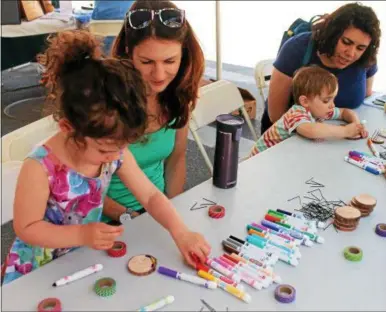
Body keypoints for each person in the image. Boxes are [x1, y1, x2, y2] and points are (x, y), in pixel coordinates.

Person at [1, 30, 210, 285]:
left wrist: (182, 233)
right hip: (36, 268)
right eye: (104, 150)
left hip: (82, 256)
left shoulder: (114, 151)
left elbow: (151, 196)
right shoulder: (40, 166)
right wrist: (81, 234)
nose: (113, 156)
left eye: (121, 147)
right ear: (68, 128)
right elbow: (27, 228)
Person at [104, 0, 205, 220]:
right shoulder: (104, 101)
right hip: (102, 224)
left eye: (170, 61)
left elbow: (176, 160)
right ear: (128, 53)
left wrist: (172, 210)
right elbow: (79, 186)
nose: (159, 75)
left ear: (184, 55)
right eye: (147, 62)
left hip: (154, 214)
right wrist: (137, 219)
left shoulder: (177, 96)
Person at [261, 2, 381, 134]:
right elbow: (275, 115)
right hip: (290, 137)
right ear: (332, 34)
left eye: (360, 48)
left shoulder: (366, 58)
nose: (351, 54)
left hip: (338, 135)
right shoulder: (297, 48)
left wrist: (353, 127)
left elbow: (367, 95)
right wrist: (339, 133)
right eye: (346, 42)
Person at [250, 66, 368, 156]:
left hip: (284, 156)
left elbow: (345, 112)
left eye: (333, 99)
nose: (332, 105)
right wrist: (345, 131)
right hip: (260, 159)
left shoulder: (320, 110)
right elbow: (311, 130)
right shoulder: (296, 113)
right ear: (305, 101)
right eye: (326, 100)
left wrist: (356, 125)